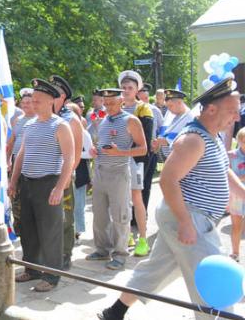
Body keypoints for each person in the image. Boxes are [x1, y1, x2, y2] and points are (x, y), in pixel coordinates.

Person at [98, 78, 245, 320]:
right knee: (210, 280)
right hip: (189, 216)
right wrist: (185, 222)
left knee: (155, 271)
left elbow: (223, 169)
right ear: (211, 109)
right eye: (231, 111)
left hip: (191, 216)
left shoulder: (213, 137)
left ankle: (115, 312)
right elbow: (167, 180)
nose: (236, 118)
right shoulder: (193, 140)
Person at [8, 78, 74, 292]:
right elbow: (21, 156)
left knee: (50, 231)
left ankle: (52, 276)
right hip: (27, 183)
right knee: (28, 229)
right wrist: (14, 180)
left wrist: (59, 187)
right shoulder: (30, 124)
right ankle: (32, 268)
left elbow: (69, 158)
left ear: (50, 102)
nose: (32, 104)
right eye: (32, 100)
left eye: (37, 101)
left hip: (48, 183)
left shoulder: (61, 126)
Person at [85, 88, 147, 271]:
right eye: (106, 103)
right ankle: (102, 249)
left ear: (121, 101)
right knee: (99, 214)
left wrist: (120, 152)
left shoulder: (131, 120)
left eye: (112, 103)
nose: (108, 106)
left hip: (119, 173)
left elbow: (143, 149)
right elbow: (102, 144)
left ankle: (120, 254)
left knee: (120, 215)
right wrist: (96, 151)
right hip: (100, 172)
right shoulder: (103, 121)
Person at [49, 75, 83, 271]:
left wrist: (66, 176)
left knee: (64, 217)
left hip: (63, 175)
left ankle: (64, 254)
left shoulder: (71, 120)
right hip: (46, 175)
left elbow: (76, 153)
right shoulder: (46, 116)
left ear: (61, 96)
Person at [119, 70, 153, 257]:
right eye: (123, 87)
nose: (126, 91)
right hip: (118, 160)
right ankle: (127, 235)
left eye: (130, 88)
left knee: (136, 198)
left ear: (137, 90)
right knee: (122, 199)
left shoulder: (143, 109)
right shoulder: (117, 107)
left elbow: (145, 141)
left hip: (136, 160)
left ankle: (143, 238)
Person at [7, 88, 35, 236]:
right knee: (15, 195)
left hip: (30, 163)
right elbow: (11, 141)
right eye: (23, 102)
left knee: (28, 195)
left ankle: (29, 225)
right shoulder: (17, 120)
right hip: (16, 162)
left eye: (29, 102)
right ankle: (18, 225)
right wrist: (7, 159)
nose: (25, 105)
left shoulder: (38, 119)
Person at [137, 82, 164, 213]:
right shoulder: (133, 110)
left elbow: (162, 129)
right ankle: (133, 214)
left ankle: (143, 212)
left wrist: (157, 142)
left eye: (146, 99)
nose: (144, 102)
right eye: (141, 99)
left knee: (146, 184)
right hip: (135, 153)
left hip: (151, 152)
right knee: (135, 185)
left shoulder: (155, 111)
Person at [69, 102, 93, 241]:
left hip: (81, 171)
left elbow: (90, 153)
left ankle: (77, 231)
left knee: (78, 204)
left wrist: (74, 154)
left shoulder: (84, 133)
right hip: (67, 170)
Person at [151, 89, 194, 160]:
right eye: (167, 107)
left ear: (179, 102)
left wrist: (165, 141)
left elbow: (187, 140)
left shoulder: (189, 117)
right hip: (172, 158)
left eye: (170, 106)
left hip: (182, 159)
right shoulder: (176, 116)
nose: (169, 109)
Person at [228, 127, 245, 261]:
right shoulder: (231, 155)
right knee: (236, 225)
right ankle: (235, 253)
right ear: (239, 141)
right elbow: (226, 176)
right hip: (236, 197)